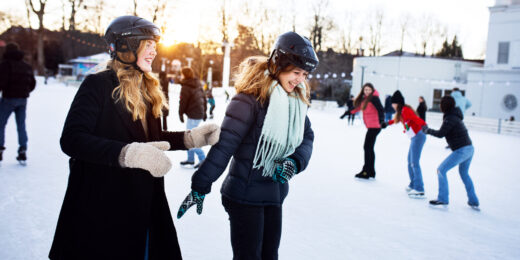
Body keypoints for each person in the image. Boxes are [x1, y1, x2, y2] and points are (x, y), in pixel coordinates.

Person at [48, 16, 220, 260]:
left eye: (154, 44)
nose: (154, 50)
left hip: (142, 200)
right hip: (103, 205)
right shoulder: (97, 85)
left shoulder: (148, 88)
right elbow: (72, 139)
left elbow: (153, 137)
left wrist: (190, 139)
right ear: (126, 47)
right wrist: (127, 154)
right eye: (147, 44)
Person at [176, 31, 317, 260]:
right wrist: (200, 184)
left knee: (269, 255)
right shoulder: (248, 100)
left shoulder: (294, 102)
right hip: (244, 195)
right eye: (295, 72)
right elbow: (225, 146)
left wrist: (295, 161)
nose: (300, 79)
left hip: (274, 194)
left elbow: (307, 136)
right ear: (278, 65)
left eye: (304, 74)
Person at [422, 95, 479, 210]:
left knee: (441, 169)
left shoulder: (450, 118)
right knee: (464, 174)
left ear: (444, 106)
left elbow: (440, 134)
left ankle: (442, 198)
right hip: (469, 149)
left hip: (462, 150)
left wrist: (427, 131)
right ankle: (473, 201)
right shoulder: (454, 116)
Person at [0, 42, 36, 164]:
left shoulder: (5, 65)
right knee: (21, 125)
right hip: (22, 100)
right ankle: (23, 149)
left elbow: (2, 82)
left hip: (8, 98)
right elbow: (32, 83)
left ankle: (0, 148)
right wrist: (24, 92)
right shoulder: (26, 66)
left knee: (1, 124)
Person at [387, 90, 427, 198]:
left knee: (414, 162)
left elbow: (415, 118)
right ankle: (414, 184)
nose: (392, 105)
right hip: (414, 137)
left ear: (397, 103)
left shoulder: (405, 110)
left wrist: (424, 125)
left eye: (393, 103)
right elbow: (395, 120)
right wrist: (386, 123)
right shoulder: (401, 112)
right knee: (410, 162)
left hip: (419, 136)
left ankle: (419, 189)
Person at [350, 83, 385, 179]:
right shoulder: (366, 99)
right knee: (369, 148)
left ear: (372, 90)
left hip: (375, 126)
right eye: (365, 90)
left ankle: (366, 171)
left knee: (367, 148)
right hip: (371, 126)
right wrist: (348, 112)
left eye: (369, 90)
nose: (367, 91)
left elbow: (381, 110)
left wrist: (382, 121)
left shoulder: (374, 98)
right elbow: (358, 108)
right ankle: (371, 171)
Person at [178, 66, 207, 168]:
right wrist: (205, 112)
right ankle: (190, 159)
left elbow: (183, 102)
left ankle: (203, 160)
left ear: (184, 75)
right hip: (198, 114)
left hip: (194, 116)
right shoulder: (198, 84)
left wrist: (180, 113)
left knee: (190, 139)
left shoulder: (186, 86)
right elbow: (204, 98)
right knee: (189, 136)